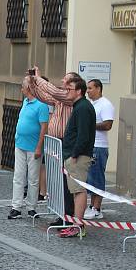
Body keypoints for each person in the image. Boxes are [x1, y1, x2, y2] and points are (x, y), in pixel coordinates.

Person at [27, 67, 81, 226]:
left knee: (65, 182)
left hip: (65, 142)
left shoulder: (68, 97)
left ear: (74, 84)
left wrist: (38, 78)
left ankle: (68, 215)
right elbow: (43, 96)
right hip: (56, 142)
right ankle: (61, 212)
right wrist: (32, 83)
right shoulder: (61, 97)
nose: (63, 81)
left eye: (66, 80)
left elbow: (52, 91)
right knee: (57, 180)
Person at [58, 76, 96, 238]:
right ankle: (76, 224)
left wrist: (74, 154)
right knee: (75, 190)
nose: (66, 91)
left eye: (69, 89)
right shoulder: (80, 106)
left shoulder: (82, 108)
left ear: (79, 91)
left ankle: (77, 225)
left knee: (79, 190)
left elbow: (83, 135)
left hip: (78, 156)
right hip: (75, 155)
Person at [8, 77, 49, 219]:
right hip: (20, 144)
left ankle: (31, 207)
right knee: (18, 176)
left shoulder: (41, 105)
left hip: (33, 147)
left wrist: (39, 147)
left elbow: (44, 127)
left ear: (29, 89)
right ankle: (16, 207)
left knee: (33, 178)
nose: (21, 89)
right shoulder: (25, 102)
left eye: (23, 86)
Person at [84, 79, 114, 219]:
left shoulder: (105, 104)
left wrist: (90, 125)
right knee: (90, 178)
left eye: (90, 88)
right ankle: (91, 205)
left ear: (98, 89)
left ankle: (97, 208)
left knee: (97, 177)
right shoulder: (91, 104)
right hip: (91, 145)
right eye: (87, 88)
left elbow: (108, 125)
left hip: (99, 146)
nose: (88, 90)